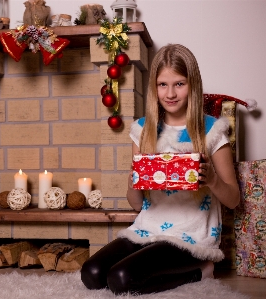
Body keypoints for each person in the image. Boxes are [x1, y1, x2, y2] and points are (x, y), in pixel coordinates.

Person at [81, 44, 240, 295]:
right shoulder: (143, 131)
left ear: (193, 85)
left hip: (191, 235)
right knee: (92, 274)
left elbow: (233, 200)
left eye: (179, 84)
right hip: (148, 227)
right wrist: (136, 177)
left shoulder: (212, 130)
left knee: (121, 280)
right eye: (162, 84)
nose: (170, 93)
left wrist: (212, 180)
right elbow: (135, 204)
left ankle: (200, 270)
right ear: (154, 87)